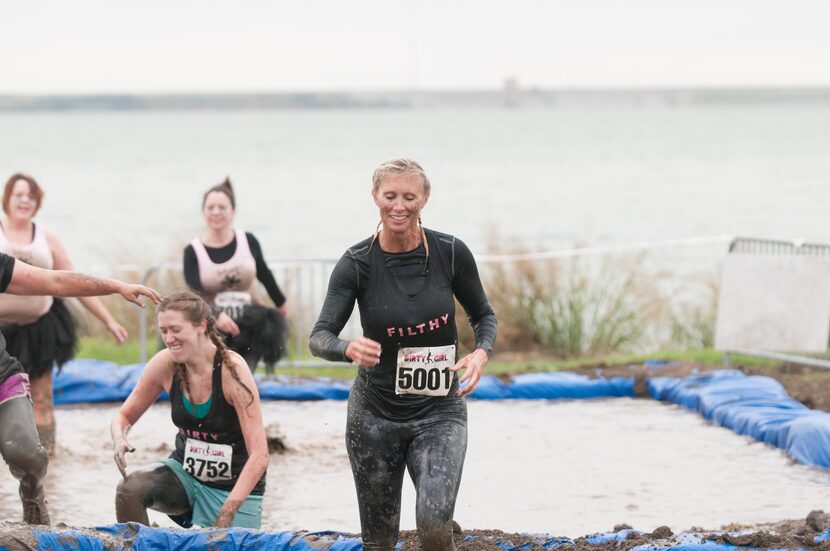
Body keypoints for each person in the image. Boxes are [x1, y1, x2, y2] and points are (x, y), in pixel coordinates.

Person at [309, 158, 497, 551]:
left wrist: (480, 353)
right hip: (374, 416)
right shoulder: (357, 263)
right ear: (375, 197)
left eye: (409, 196)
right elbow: (319, 336)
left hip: (439, 412)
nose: (399, 206)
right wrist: (347, 348)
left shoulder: (450, 252)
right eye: (390, 196)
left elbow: (483, 315)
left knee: (432, 526)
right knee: (378, 543)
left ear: (424, 199)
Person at [0, 248, 160, 525]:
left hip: (2, 377)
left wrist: (116, 286)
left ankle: (33, 495)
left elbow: (54, 282)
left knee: (24, 452)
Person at [112, 291, 268, 529]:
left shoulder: (232, 371)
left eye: (176, 329)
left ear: (201, 326)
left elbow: (260, 455)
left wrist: (228, 510)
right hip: (186, 478)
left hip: (235, 489)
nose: (169, 338)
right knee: (130, 489)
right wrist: (119, 438)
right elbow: (123, 416)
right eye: (164, 331)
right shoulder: (164, 364)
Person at [0, 173, 132, 452]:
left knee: (42, 397)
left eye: (31, 196)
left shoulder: (46, 236)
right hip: (2, 332)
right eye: (19, 195)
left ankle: (48, 455)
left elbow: (69, 281)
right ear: (7, 199)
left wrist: (108, 320)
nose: (25, 201)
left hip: (38, 329)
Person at [183, 177, 287, 374]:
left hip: (249, 326)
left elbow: (264, 274)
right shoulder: (192, 251)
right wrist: (215, 315)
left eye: (222, 207)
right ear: (203, 212)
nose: (216, 212)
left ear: (233, 211)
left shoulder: (248, 240)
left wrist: (280, 304)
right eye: (210, 207)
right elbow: (194, 294)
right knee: (214, 375)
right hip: (211, 324)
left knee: (242, 375)